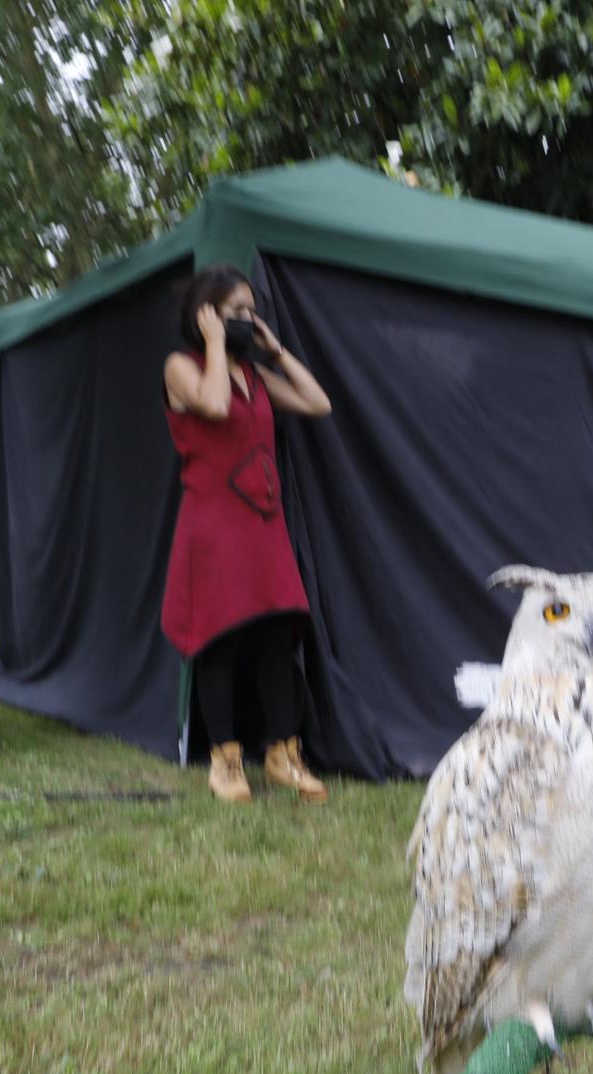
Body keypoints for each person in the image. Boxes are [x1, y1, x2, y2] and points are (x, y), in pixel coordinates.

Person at [161, 264, 333, 804]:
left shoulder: (255, 377)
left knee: (277, 638)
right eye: (235, 310)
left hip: (263, 523)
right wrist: (215, 343)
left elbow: (316, 402)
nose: (246, 318)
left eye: (249, 309)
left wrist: (275, 350)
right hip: (212, 527)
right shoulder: (181, 366)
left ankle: (285, 756)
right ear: (205, 314)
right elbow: (211, 406)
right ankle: (226, 764)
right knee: (221, 640)